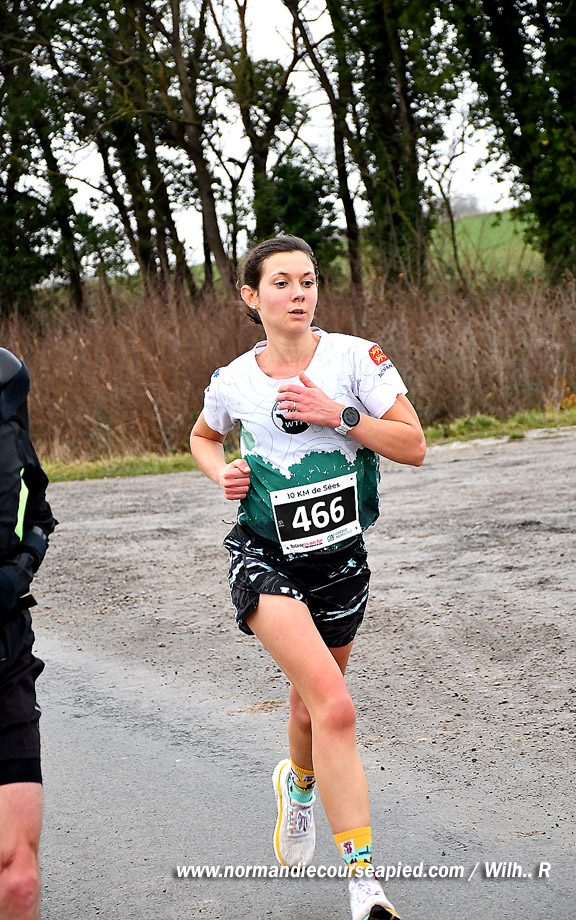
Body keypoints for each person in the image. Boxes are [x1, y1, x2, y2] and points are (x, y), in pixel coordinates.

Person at [190, 236, 426, 920]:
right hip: (264, 556)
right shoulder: (234, 380)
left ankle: (297, 785)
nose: (299, 294)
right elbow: (203, 436)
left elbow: (413, 445)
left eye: (308, 281)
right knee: (336, 707)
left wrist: (338, 415)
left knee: (307, 710)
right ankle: (364, 883)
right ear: (251, 296)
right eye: (282, 282)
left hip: (340, 562)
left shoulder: (355, 359)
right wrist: (222, 474)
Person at [0, 348, 56, 920]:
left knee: (18, 880)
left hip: (5, 655)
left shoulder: (7, 379)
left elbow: (35, 508)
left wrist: (21, 567)